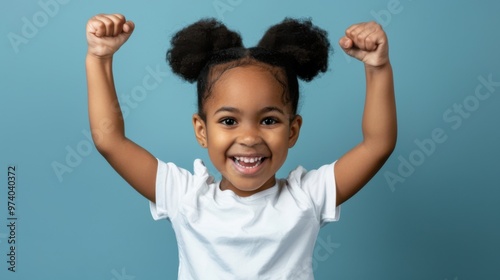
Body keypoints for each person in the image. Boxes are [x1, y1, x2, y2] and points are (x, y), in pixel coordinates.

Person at [86, 13, 396, 279]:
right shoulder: (184, 196)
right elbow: (109, 139)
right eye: (229, 121)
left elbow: (377, 144)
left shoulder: (308, 197)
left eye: (269, 120)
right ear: (201, 130)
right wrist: (100, 58)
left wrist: (377, 67)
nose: (249, 138)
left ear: (293, 130)